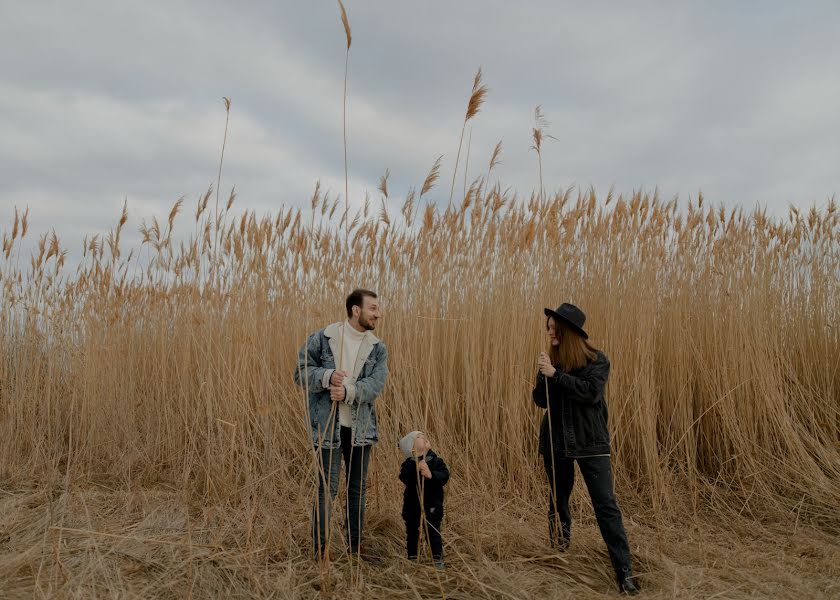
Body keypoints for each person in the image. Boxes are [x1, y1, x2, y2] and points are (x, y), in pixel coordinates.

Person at [533, 303, 639, 595]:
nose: (550, 333)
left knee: (606, 507)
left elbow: (591, 393)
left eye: (554, 328)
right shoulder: (551, 362)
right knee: (558, 503)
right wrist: (544, 375)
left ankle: (625, 573)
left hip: (591, 443)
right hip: (556, 444)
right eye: (549, 328)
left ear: (569, 332)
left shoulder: (597, 360)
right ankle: (559, 556)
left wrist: (556, 375)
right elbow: (540, 400)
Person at [294, 289, 388, 563]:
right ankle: (320, 552)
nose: (377, 313)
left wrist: (348, 392)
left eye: (377, 308)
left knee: (357, 490)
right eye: (372, 308)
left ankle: (355, 549)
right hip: (327, 428)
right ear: (356, 310)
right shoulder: (322, 339)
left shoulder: (377, 347)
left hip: (361, 431)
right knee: (327, 489)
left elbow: (376, 385)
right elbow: (300, 373)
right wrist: (327, 376)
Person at [398, 431, 450, 569]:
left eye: (423, 435)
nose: (423, 437)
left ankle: (437, 558)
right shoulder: (408, 464)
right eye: (418, 437)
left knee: (433, 530)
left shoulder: (436, 460)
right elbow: (404, 477)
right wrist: (416, 469)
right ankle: (413, 556)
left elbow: (445, 476)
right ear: (412, 449)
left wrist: (431, 474)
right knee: (412, 532)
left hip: (432, 504)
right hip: (412, 505)